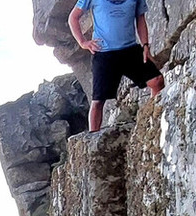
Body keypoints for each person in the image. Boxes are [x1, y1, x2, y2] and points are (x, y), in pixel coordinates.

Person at [68, 0, 165, 132]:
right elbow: (73, 17)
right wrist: (82, 42)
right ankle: (92, 139)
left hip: (130, 50)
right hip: (104, 53)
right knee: (98, 101)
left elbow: (140, 19)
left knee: (157, 81)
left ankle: (154, 121)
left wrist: (145, 45)